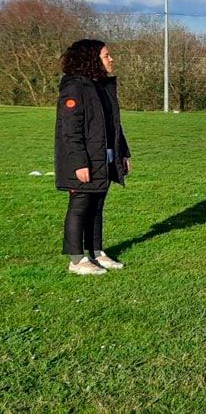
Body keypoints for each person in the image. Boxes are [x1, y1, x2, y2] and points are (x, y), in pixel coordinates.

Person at [55, 39, 132, 275]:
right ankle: (76, 260)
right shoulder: (74, 88)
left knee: (97, 206)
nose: (111, 59)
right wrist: (79, 162)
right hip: (84, 160)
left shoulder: (103, 86)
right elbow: (70, 130)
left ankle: (96, 252)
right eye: (106, 55)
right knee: (80, 206)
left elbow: (113, 125)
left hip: (105, 157)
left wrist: (123, 153)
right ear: (91, 59)